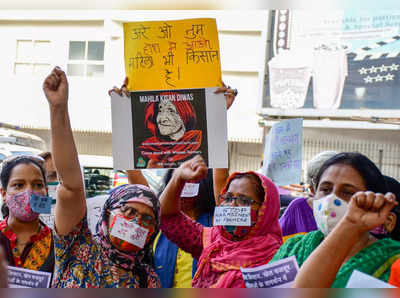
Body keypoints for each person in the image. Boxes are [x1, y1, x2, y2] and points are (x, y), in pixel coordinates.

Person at [43, 67, 161, 288]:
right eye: (129, 212)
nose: (137, 223)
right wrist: (58, 108)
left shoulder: (148, 280)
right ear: (108, 213)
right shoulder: (79, 247)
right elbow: (70, 187)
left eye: (147, 219)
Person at [270, 152, 400, 287]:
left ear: (373, 202)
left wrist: (351, 224)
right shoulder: (293, 248)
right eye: (325, 189)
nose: (331, 200)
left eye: (348, 192)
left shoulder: (392, 261)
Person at [159, 155, 283, 288]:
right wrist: (178, 177)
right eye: (228, 198)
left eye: (244, 200)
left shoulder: (277, 260)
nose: (232, 206)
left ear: (265, 209)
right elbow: (168, 215)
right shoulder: (212, 242)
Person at [0, 154, 54, 273]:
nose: (29, 192)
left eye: (38, 185)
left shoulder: (57, 243)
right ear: (4, 194)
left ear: (46, 191)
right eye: (19, 185)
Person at [279, 151, 337, 241]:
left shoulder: (350, 212)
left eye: (346, 191)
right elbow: (280, 242)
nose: (334, 195)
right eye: (326, 189)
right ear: (313, 189)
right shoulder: (298, 208)